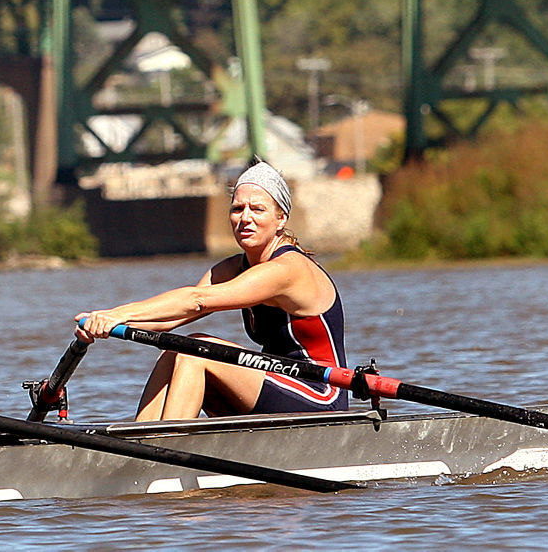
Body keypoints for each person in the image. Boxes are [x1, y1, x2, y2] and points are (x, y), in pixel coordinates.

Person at [76, 159, 348, 419]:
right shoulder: (232, 268)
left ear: (281, 219)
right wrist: (104, 325)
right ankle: (141, 439)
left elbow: (197, 300)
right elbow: (170, 320)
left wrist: (118, 313)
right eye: (237, 209)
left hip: (319, 395)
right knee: (174, 351)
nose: (245, 218)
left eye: (258, 209)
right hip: (277, 386)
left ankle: (167, 448)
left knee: (197, 351)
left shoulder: (288, 269)